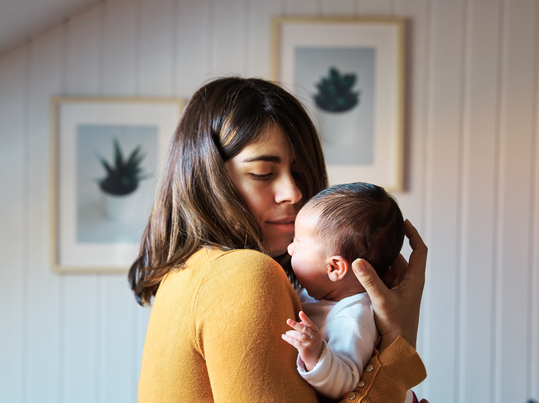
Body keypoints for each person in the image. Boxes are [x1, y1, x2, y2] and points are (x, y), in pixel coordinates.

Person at [129, 77, 428, 403]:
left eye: (299, 173)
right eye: (262, 173)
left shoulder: (186, 273)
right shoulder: (242, 274)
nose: (294, 192)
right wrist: (399, 341)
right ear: (207, 177)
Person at [282, 182, 415, 402]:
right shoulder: (323, 295)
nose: (290, 248)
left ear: (334, 268)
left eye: (297, 242)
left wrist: (316, 354)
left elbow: (348, 383)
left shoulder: (353, 317)